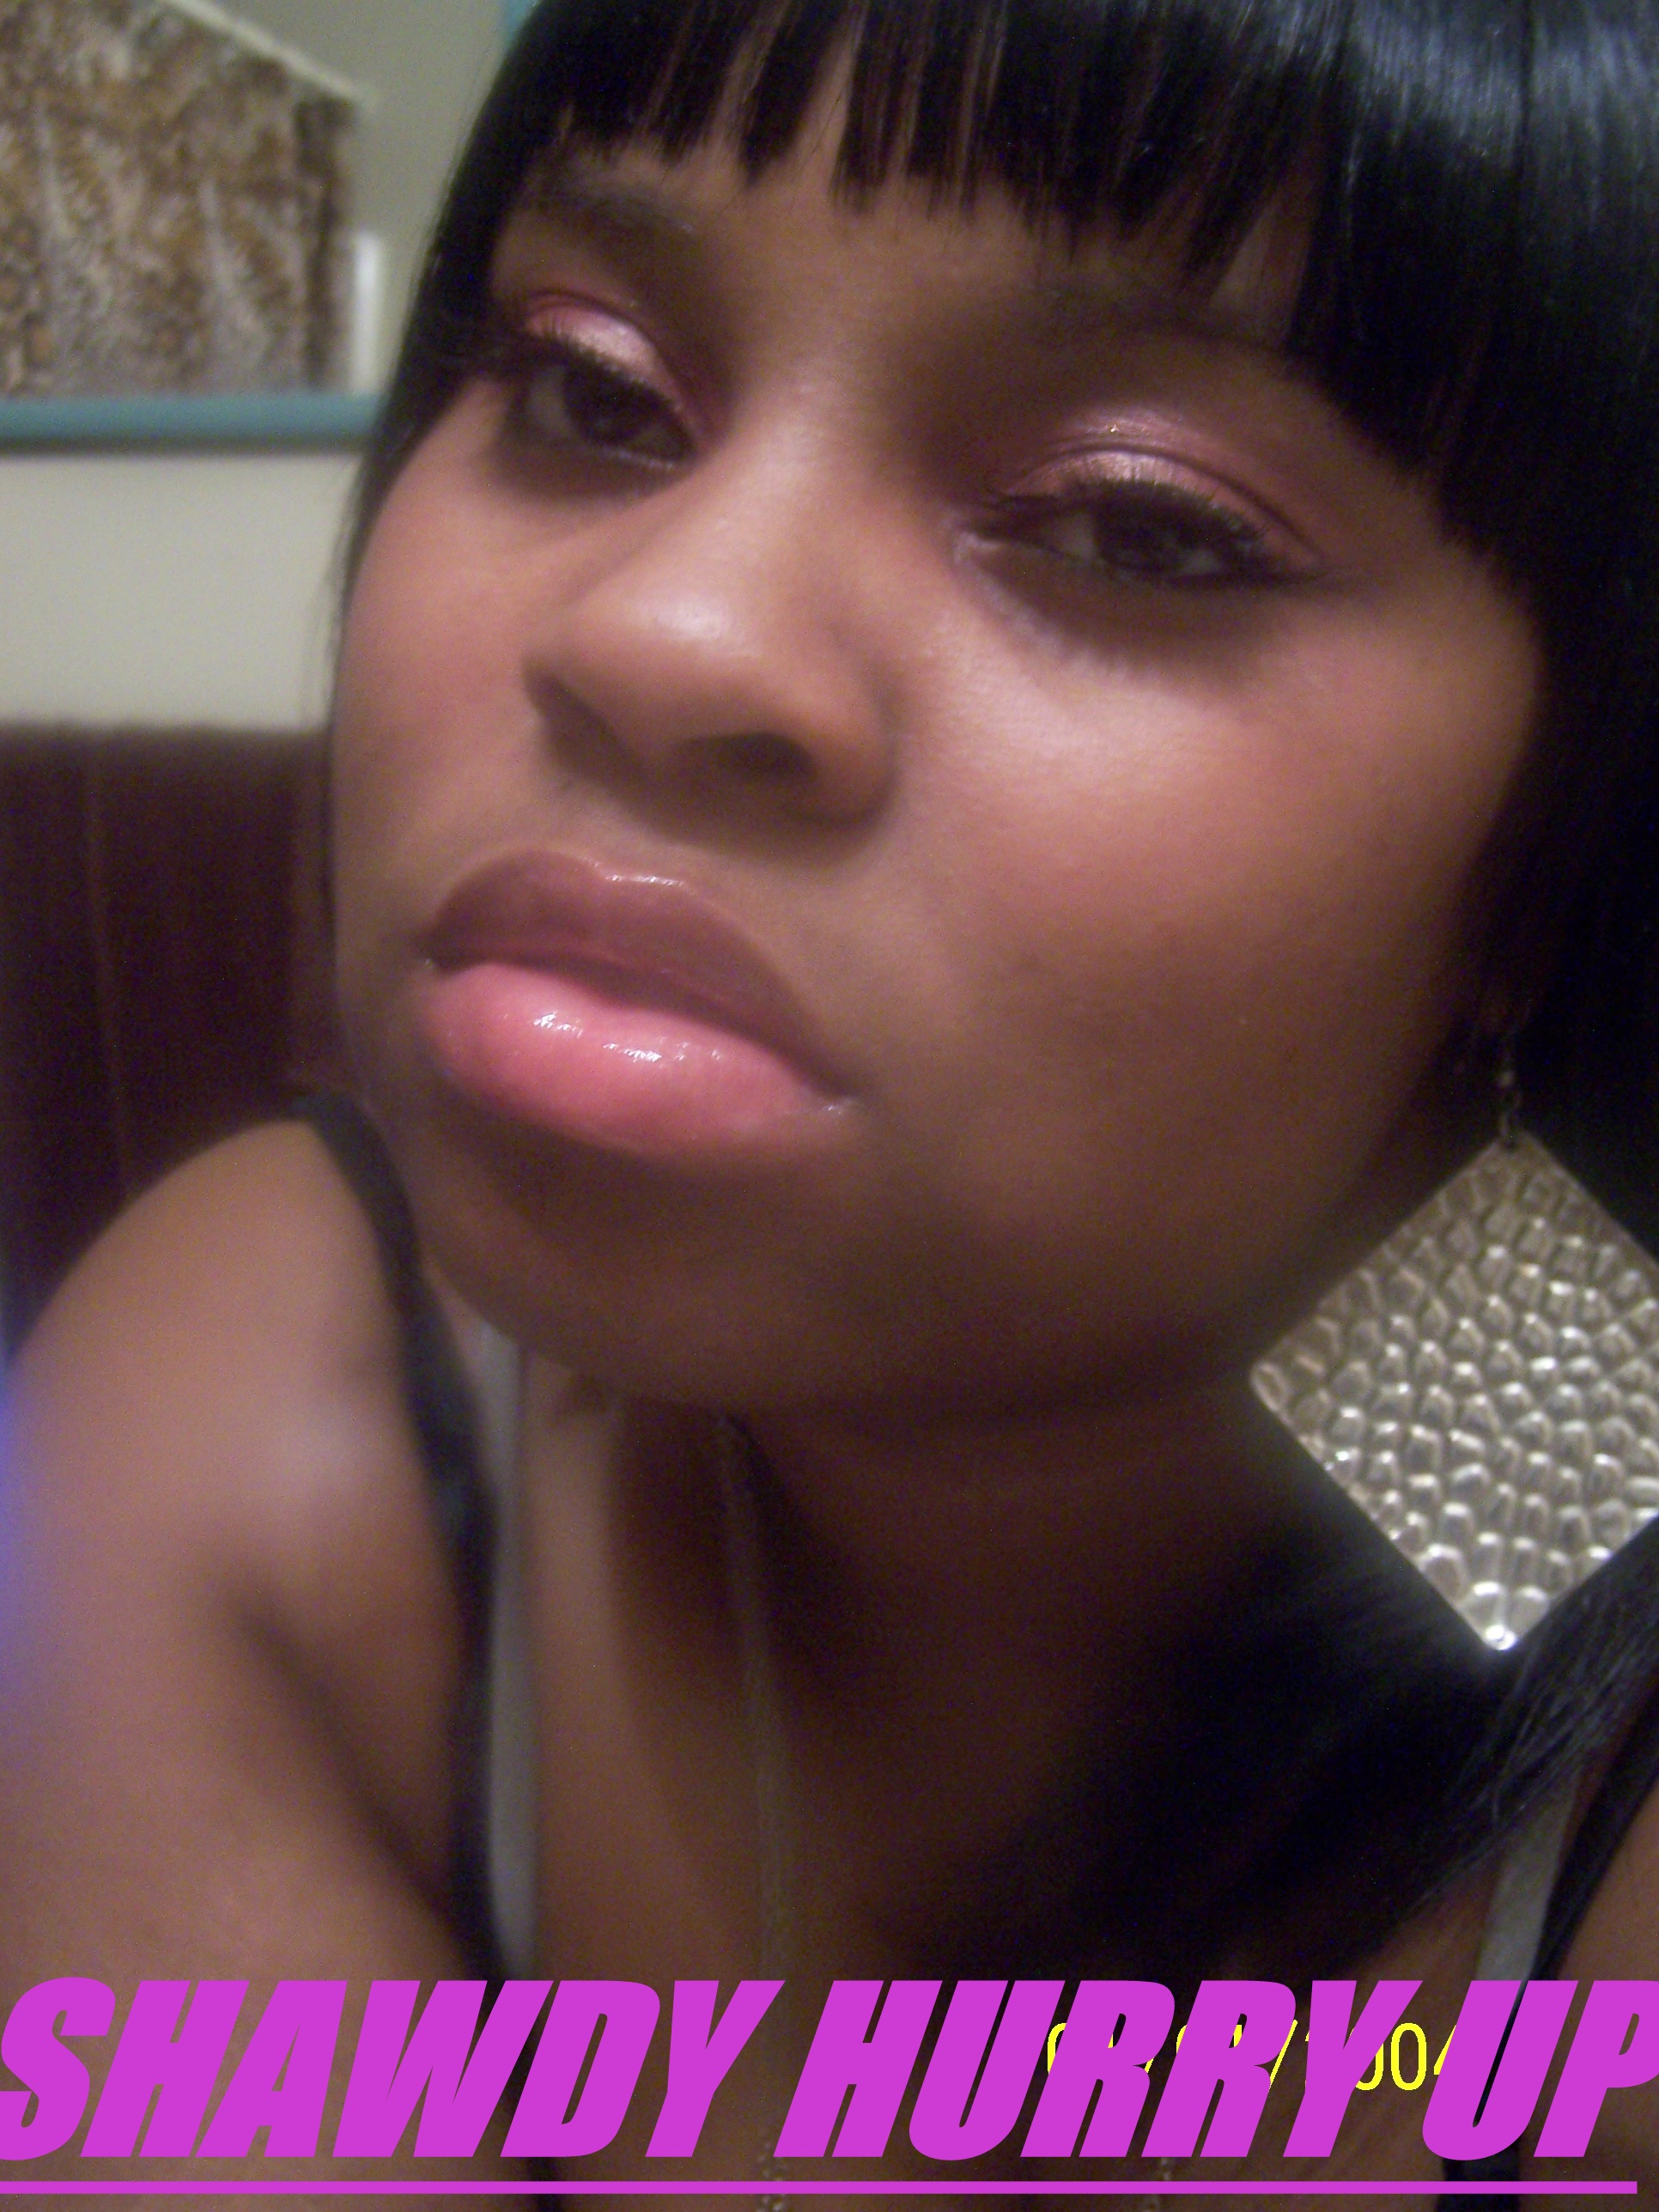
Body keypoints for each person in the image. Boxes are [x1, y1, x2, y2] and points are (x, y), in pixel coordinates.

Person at [4, 0, 1659, 2192]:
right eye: (591, 389)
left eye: (1140, 526)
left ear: (1570, 845)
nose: (662, 633)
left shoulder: (1601, 1552)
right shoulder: (297, 1380)